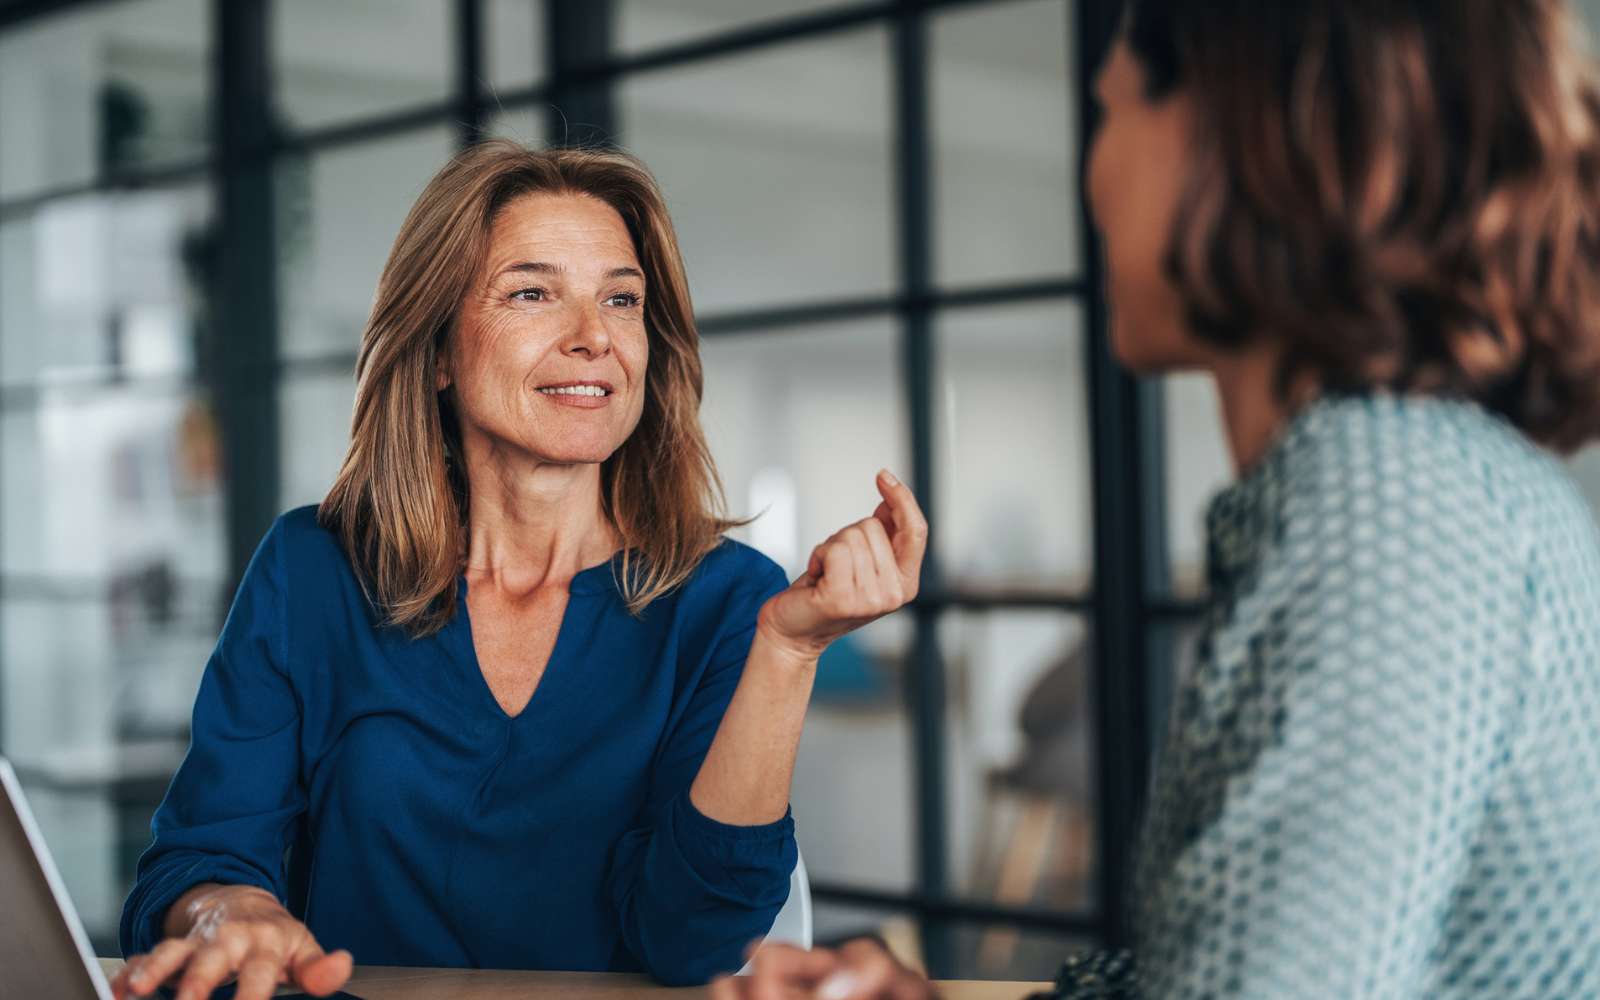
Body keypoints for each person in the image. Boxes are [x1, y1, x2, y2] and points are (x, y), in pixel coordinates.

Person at [718, 0, 1600, 997]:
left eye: (1114, 115)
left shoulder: (1382, 503)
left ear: (1245, 139)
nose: (1093, 181)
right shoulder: (1415, 473)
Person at [111, 142, 928, 1000]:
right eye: (533, 293)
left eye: (621, 299)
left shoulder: (730, 603)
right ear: (435, 352)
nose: (593, 339)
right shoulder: (311, 570)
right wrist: (227, 909)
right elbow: (198, 859)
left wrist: (790, 655)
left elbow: (693, 941)